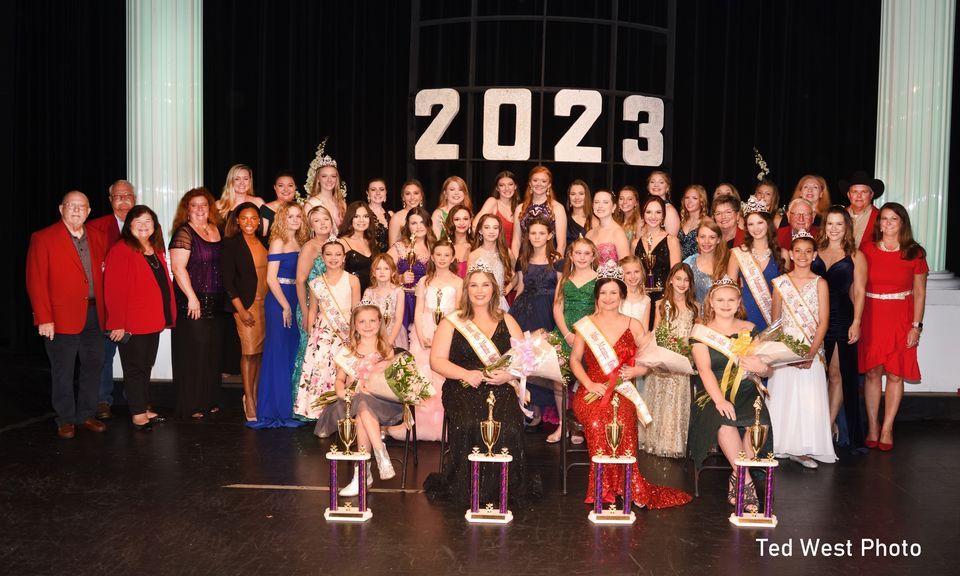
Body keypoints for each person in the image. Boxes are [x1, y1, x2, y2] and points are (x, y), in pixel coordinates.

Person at [569, 266, 691, 509]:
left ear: (621, 295)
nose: (608, 298)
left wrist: (638, 371)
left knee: (621, 421)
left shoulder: (633, 325)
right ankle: (602, 488)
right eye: (603, 293)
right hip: (592, 389)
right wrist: (590, 384)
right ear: (597, 296)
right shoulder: (586, 325)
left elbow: (649, 357)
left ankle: (625, 484)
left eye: (613, 293)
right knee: (597, 422)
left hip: (623, 388)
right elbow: (574, 360)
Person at [423, 265, 537, 506]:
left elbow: (524, 357)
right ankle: (468, 487)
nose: (479, 290)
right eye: (473, 285)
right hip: (462, 385)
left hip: (499, 385)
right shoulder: (452, 321)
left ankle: (503, 488)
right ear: (466, 290)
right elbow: (436, 361)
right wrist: (465, 374)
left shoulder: (506, 319)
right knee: (469, 423)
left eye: (485, 284)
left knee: (509, 426)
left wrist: (508, 376)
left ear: (494, 289)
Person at [688, 277, 774, 513]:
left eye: (731, 300)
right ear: (711, 303)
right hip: (713, 393)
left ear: (738, 303)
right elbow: (704, 370)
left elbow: (767, 367)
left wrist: (763, 368)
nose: (725, 304)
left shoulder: (749, 329)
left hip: (747, 390)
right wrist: (719, 399)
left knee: (759, 426)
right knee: (725, 422)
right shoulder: (701, 332)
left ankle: (738, 477)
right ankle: (746, 484)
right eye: (720, 300)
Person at [26, 191, 108, 439]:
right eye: (71, 205)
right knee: (63, 370)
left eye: (82, 206)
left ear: (89, 211)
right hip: (60, 318)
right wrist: (43, 317)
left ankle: (86, 414)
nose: (76, 210)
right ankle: (65, 418)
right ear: (61, 208)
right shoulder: (43, 238)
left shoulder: (97, 236)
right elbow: (35, 280)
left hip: (95, 314)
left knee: (93, 366)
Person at [859, 202, 928, 451]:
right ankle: (873, 426)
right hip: (872, 315)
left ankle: (887, 427)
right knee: (873, 372)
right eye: (884, 219)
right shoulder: (866, 249)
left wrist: (916, 326)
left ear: (902, 223)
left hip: (901, 318)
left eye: (893, 219)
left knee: (897, 374)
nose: (887, 223)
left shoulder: (915, 253)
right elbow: (857, 286)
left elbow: (920, 293)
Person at [317, 305, 406, 495]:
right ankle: (380, 454)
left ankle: (362, 473)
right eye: (362, 321)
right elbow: (340, 381)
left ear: (380, 322)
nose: (367, 325)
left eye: (372, 320)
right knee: (362, 406)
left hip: (383, 403)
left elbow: (390, 383)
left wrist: (372, 386)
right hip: (352, 401)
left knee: (364, 409)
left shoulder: (386, 349)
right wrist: (343, 393)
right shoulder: (348, 350)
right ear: (355, 326)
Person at [104, 205, 176, 432]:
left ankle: (144, 407)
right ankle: (137, 413)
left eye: (148, 221)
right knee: (134, 369)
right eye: (138, 221)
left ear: (155, 226)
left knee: (146, 366)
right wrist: (116, 323)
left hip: (152, 320)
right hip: (132, 323)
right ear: (129, 226)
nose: (144, 226)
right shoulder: (121, 249)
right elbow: (112, 290)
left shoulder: (153, 249)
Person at [768, 231, 836, 467]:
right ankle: (781, 444)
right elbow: (775, 323)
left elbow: (824, 321)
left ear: (815, 255)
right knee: (784, 396)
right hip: (786, 349)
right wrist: (778, 353)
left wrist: (810, 353)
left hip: (811, 347)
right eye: (798, 251)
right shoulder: (780, 284)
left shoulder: (820, 283)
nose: (803, 255)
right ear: (791, 254)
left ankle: (805, 448)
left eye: (808, 251)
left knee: (808, 398)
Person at [248, 203, 309, 429]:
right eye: (290, 216)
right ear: (282, 218)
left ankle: (290, 407)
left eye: (298, 216)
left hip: (296, 296)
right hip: (279, 300)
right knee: (278, 353)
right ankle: (274, 409)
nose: (295, 220)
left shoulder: (300, 241)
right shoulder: (278, 241)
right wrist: (285, 306)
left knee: (292, 353)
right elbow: (270, 279)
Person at [812, 207, 867, 453]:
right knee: (816, 376)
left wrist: (856, 322)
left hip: (842, 318)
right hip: (814, 318)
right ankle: (815, 426)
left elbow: (859, 291)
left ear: (847, 228)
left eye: (839, 225)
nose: (834, 229)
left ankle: (827, 425)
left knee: (837, 374)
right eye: (830, 224)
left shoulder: (855, 255)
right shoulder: (814, 251)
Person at [169, 188, 223, 419]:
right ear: (187, 210)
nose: (200, 209)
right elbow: (178, 268)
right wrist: (192, 297)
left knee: (211, 354)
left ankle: (208, 400)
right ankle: (191, 405)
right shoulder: (184, 233)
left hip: (217, 301)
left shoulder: (215, 230)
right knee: (193, 354)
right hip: (193, 301)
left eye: (204, 204)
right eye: (194, 205)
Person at [86, 179, 136, 420]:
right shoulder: (95, 227)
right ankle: (102, 400)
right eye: (118, 196)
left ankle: (136, 399)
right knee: (103, 355)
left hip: (137, 304)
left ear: (134, 198)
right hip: (105, 305)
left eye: (127, 195)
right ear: (110, 201)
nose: (123, 200)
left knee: (135, 356)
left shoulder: (145, 224)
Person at [296, 238, 361, 420]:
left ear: (344, 258)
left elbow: (356, 311)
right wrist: (310, 333)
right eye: (329, 254)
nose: (333, 258)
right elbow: (313, 310)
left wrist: (355, 334)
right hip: (322, 333)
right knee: (322, 369)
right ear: (322, 258)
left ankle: (344, 413)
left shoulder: (353, 280)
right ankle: (321, 413)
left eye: (338, 254)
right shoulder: (316, 282)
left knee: (342, 371)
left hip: (346, 331)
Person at [637, 263, 697, 458]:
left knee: (677, 400)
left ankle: (675, 443)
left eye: (686, 280)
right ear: (670, 279)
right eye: (678, 279)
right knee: (660, 399)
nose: (682, 283)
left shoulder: (695, 307)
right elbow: (656, 332)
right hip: (664, 360)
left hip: (682, 360)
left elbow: (695, 335)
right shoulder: (660, 304)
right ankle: (656, 440)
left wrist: (688, 352)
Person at [407, 239, 461, 441]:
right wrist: (421, 336)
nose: (442, 259)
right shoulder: (424, 281)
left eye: (447, 255)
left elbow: (458, 313)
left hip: (447, 329)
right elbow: (419, 309)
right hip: (425, 329)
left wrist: (444, 334)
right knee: (423, 376)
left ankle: (442, 425)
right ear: (432, 256)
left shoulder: (458, 282)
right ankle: (420, 424)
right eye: (438, 254)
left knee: (442, 377)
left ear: (453, 257)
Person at [221, 203, 269, 421]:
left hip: (267, 306)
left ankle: (256, 395)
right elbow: (228, 280)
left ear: (259, 221)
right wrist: (240, 310)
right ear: (237, 221)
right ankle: (248, 398)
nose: (249, 222)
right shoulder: (231, 244)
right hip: (247, 307)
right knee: (248, 353)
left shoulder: (264, 241)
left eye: (253, 218)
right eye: (245, 218)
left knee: (260, 354)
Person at [549, 237, 598, 443]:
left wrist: (582, 336)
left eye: (587, 253)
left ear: (593, 256)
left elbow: (599, 310)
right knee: (559, 381)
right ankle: (562, 424)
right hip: (564, 333)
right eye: (578, 253)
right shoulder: (565, 279)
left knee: (583, 382)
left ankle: (579, 425)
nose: (582, 257)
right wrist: (567, 334)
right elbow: (557, 308)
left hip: (588, 336)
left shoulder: (598, 279)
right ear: (570, 255)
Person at [291, 205, 334, 403]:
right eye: (317, 221)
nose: (322, 224)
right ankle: (304, 403)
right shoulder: (309, 247)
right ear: (311, 226)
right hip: (311, 306)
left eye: (325, 219)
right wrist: (306, 311)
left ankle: (326, 402)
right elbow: (300, 281)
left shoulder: (337, 244)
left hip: (333, 308)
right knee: (310, 354)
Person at [727, 197, 786, 331]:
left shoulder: (782, 254)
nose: (756, 228)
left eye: (760, 222)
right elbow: (729, 290)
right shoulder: (738, 254)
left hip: (775, 315)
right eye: (751, 224)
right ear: (746, 227)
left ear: (768, 224)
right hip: (745, 315)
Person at [633, 196, 681, 328]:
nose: (653, 216)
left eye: (658, 212)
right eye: (649, 212)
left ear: (663, 216)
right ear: (643, 215)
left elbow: (676, 275)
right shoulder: (635, 243)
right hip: (640, 301)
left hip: (663, 301)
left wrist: (668, 301)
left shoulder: (672, 241)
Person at [512, 218, 563, 334]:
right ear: (528, 236)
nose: (537, 237)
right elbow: (520, 289)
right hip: (524, 311)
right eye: (533, 233)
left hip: (549, 310)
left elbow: (561, 293)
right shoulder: (523, 260)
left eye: (542, 233)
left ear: (549, 235)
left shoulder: (557, 261)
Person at [389, 207, 435, 331]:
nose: (419, 227)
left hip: (427, 302)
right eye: (414, 223)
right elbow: (381, 270)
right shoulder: (400, 247)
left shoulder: (435, 247)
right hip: (404, 302)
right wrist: (399, 278)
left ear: (428, 224)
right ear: (408, 226)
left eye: (422, 222)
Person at [511, 166, 567, 257]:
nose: (539, 184)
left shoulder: (558, 208)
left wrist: (555, 265)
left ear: (549, 184)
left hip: (549, 261)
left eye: (544, 181)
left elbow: (562, 244)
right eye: (535, 180)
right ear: (530, 183)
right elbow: (516, 242)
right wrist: (516, 266)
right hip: (524, 260)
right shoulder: (520, 208)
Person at [467, 213, 514, 310]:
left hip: (499, 304)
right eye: (487, 227)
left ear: (499, 230)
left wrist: (509, 288)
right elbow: (468, 283)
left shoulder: (506, 252)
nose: (491, 231)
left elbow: (519, 273)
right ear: (480, 230)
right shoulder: (474, 255)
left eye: (495, 228)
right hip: (480, 302)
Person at [362, 254, 408, 349]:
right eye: (378, 269)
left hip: (393, 334)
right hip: (372, 334)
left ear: (393, 272)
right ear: (373, 273)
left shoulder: (398, 292)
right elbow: (363, 315)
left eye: (386, 268)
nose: (382, 272)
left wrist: (390, 341)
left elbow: (399, 319)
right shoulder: (369, 292)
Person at [684, 218, 729, 307]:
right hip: (693, 316)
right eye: (702, 237)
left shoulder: (726, 264)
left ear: (718, 240)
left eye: (712, 237)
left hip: (720, 316)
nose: (706, 241)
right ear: (697, 239)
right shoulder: (688, 263)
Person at [339, 201, 378, 294]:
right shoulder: (342, 242)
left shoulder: (372, 241)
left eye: (365, 216)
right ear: (350, 219)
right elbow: (337, 274)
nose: (361, 220)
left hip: (372, 294)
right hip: (350, 295)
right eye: (356, 216)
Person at [473, 171, 519, 247]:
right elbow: (475, 226)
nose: (507, 188)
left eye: (510, 184)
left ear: (515, 186)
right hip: (495, 254)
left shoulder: (519, 207)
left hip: (513, 255)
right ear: (497, 188)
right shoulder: (493, 202)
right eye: (502, 185)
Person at [586, 189, 630, 265]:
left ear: (613, 207)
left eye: (605, 202)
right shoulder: (589, 234)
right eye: (596, 202)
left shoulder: (618, 232)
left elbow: (626, 265)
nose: (600, 206)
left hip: (611, 277)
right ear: (593, 206)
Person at [303, 151, 346, 229]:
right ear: (318, 179)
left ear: (337, 179)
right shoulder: (311, 205)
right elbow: (306, 233)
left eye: (333, 176)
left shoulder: (342, 203)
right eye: (324, 176)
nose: (329, 180)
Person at [841, 170, 883, 248]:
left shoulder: (881, 217)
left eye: (864, 192)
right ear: (848, 195)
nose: (859, 196)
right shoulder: (839, 215)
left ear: (871, 194)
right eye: (854, 192)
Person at [388, 179, 425, 246]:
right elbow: (392, 247)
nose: (412, 197)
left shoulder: (425, 216)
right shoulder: (397, 218)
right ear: (403, 197)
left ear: (421, 196)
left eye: (416, 193)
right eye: (408, 194)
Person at [260, 172, 297, 237]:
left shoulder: (300, 209)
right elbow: (262, 237)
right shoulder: (266, 210)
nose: (286, 189)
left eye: (290, 185)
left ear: (295, 187)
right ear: (275, 187)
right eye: (281, 185)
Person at [619, 255, 651, 328]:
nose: (633, 276)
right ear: (621, 275)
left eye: (636, 272)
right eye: (628, 273)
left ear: (642, 273)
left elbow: (645, 328)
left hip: (638, 338)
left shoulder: (646, 300)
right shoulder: (617, 296)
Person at [645, 170, 680, 236]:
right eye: (652, 182)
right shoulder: (645, 207)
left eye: (661, 182)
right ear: (648, 186)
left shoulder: (670, 210)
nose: (656, 185)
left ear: (667, 188)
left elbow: (672, 240)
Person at [444, 203, 473, 277]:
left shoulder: (476, 246)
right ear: (451, 221)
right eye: (457, 219)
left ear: (470, 221)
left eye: (465, 219)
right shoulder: (443, 246)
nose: (462, 223)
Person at [365, 178, 392, 252]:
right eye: (373, 189)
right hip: (368, 258)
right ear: (367, 193)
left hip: (388, 259)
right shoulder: (363, 213)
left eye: (381, 189)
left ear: (386, 192)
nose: (378, 193)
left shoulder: (391, 215)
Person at [565, 179, 593, 249]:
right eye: (573, 194)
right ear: (569, 197)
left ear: (587, 196)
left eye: (581, 194)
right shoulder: (564, 219)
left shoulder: (594, 220)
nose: (577, 197)